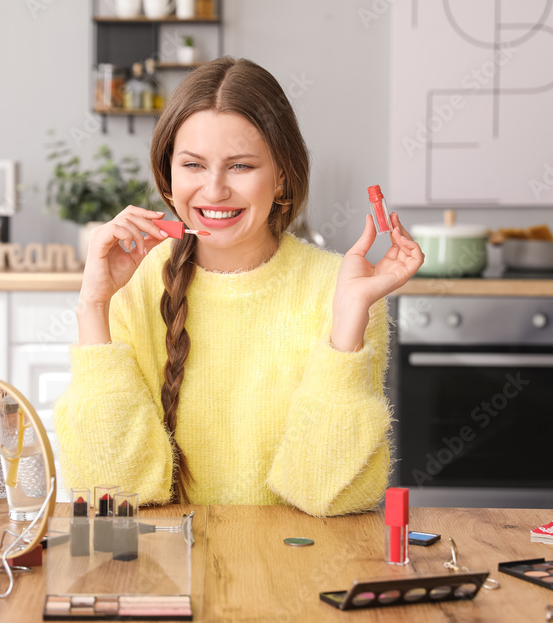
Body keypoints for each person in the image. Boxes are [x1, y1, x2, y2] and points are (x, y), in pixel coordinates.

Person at [53, 57, 423, 517]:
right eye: (192, 165)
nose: (213, 190)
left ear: (282, 174)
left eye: (241, 166)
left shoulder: (342, 290)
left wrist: (348, 320)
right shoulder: (133, 285)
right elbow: (110, 491)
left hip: (292, 569)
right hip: (167, 572)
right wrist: (93, 306)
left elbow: (328, 494)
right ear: (169, 173)